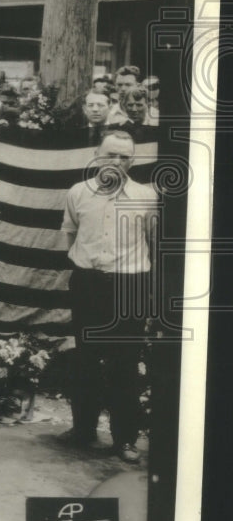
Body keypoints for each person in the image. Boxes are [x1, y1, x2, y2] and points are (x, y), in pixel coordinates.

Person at [60, 130, 158, 463]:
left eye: (125, 156)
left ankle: (125, 440)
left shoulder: (146, 197)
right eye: (111, 154)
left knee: (124, 365)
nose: (117, 161)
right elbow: (69, 236)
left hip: (129, 286)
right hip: (87, 284)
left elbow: (154, 243)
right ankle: (83, 430)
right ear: (97, 153)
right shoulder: (77, 193)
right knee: (85, 359)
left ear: (133, 160)